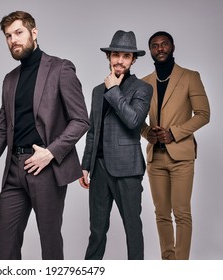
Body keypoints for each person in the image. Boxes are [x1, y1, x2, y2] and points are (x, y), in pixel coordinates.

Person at [0, 11, 89, 260]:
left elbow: (81, 120)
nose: (13, 40)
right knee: (5, 241)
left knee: (50, 240)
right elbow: (2, 129)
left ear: (34, 33)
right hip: (14, 170)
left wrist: (51, 152)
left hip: (45, 166)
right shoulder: (9, 80)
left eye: (19, 33)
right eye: (8, 36)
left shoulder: (60, 68)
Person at [79, 30, 153, 260]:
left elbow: (133, 121)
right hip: (99, 169)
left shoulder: (142, 88)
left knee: (132, 229)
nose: (120, 60)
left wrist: (113, 90)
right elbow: (93, 130)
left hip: (127, 169)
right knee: (97, 231)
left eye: (126, 56)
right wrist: (85, 164)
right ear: (108, 57)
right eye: (116, 55)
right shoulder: (96, 91)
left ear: (133, 60)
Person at [141, 31, 210, 260]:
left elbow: (203, 114)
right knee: (161, 214)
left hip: (181, 157)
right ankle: (168, 264)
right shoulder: (143, 83)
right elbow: (134, 118)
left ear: (172, 47)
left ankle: (181, 267)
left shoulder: (190, 77)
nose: (160, 48)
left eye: (164, 44)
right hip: (155, 158)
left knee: (182, 213)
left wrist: (174, 133)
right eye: (155, 45)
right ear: (150, 50)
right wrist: (147, 132)